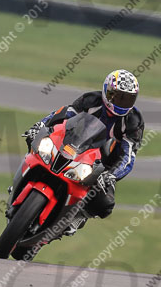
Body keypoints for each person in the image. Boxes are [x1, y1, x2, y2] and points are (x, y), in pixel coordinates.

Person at [21, 69, 144, 234]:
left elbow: (129, 156)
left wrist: (112, 175)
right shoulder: (91, 100)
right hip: (72, 145)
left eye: (128, 98)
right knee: (39, 145)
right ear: (106, 91)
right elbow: (63, 114)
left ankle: (78, 216)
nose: (122, 102)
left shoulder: (134, 120)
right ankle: (23, 180)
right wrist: (40, 126)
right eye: (118, 96)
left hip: (102, 164)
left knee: (105, 204)